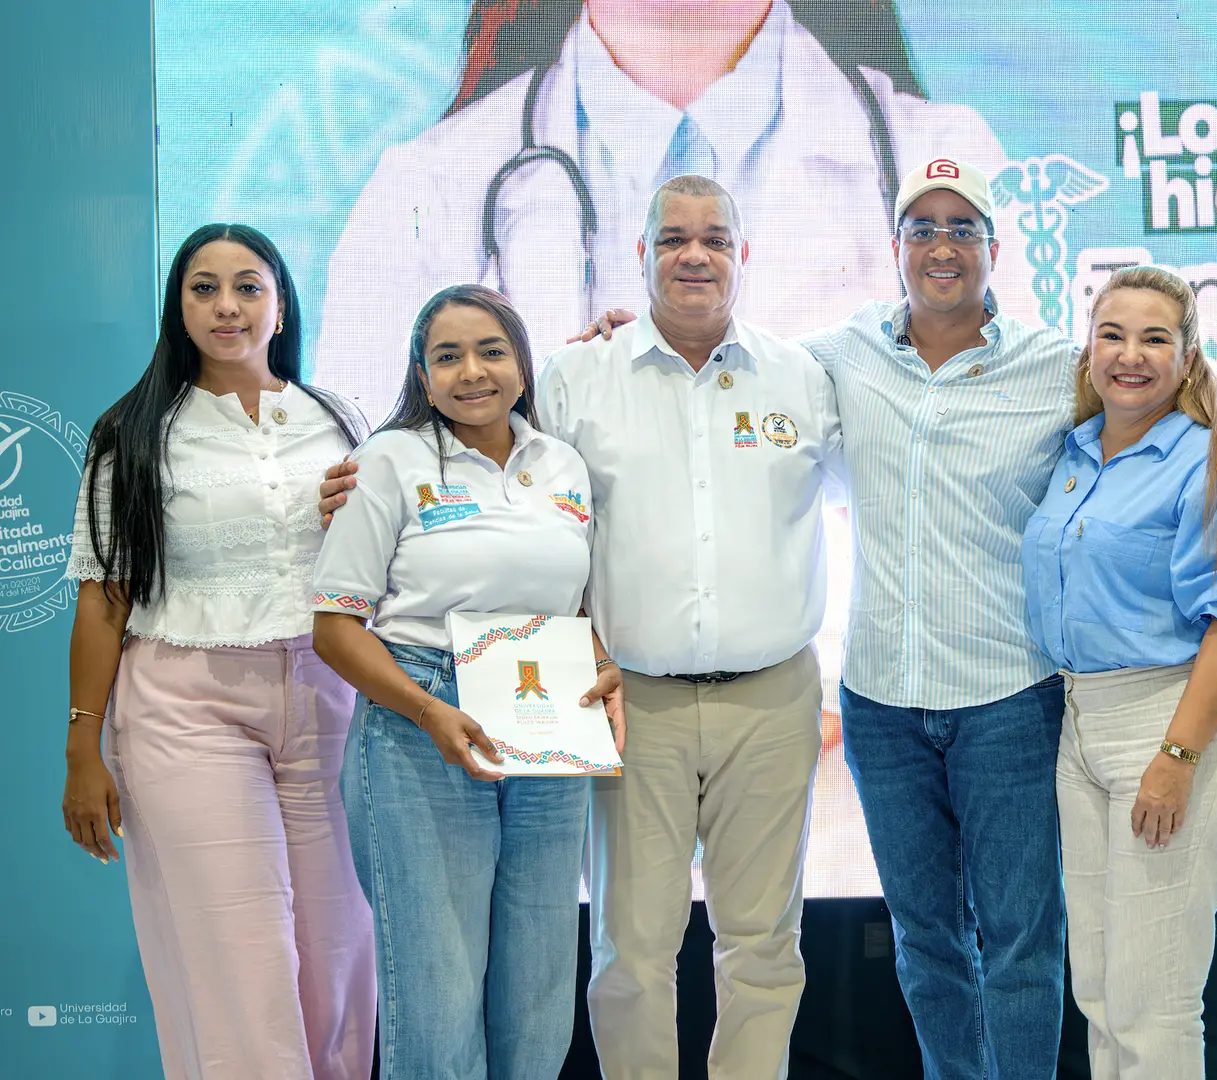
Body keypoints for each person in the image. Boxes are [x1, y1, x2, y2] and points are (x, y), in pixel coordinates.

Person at [567, 156, 1217, 1078]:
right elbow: (715, 361)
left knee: (1023, 943)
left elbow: (1152, 402)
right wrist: (623, 333)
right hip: (882, 706)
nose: (943, 247)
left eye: (963, 228)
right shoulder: (831, 359)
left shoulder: (1057, 368)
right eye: (924, 228)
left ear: (993, 247)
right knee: (926, 944)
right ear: (896, 246)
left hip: (1009, 701)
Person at [323, 175, 841, 1079]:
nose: (694, 253)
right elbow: (467, 453)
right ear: (639, 256)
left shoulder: (804, 375)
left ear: (743, 256)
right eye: (672, 237)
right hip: (612, 701)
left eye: (715, 238)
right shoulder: (572, 379)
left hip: (764, 696)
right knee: (624, 953)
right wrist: (349, 479)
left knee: (754, 946)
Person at [314, 0, 1040, 418]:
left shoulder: (939, 161)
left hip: (826, 674)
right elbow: (372, 504)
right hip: (545, 669)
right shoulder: (428, 185)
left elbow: (1006, 457)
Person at [59, 224, 375, 1080]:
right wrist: (83, 746)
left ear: (281, 303)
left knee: (337, 951)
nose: (227, 306)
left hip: (327, 704)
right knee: (243, 959)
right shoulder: (132, 432)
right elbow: (104, 598)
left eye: (248, 286)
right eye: (204, 288)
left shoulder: (341, 419)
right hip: (185, 708)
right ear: (178, 305)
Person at [308, 283, 621, 1080]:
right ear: (422, 373)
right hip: (421, 723)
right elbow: (335, 627)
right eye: (447, 356)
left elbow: (574, 601)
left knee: (539, 985)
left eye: (491, 351)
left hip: (545, 722)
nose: (471, 372)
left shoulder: (562, 464)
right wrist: (426, 711)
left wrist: (602, 666)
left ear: (522, 362)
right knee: (438, 989)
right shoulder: (389, 460)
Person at [1022, 265, 1217, 1078]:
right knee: (1100, 989)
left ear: (1188, 356)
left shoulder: (1211, 460)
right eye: (1112, 334)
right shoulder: (1070, 453)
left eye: (1154, 338)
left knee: (1153, 995)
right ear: (1087, 348)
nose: (1130, 355)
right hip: (1082, 723)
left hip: (1176, 721)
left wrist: (1176, 758)